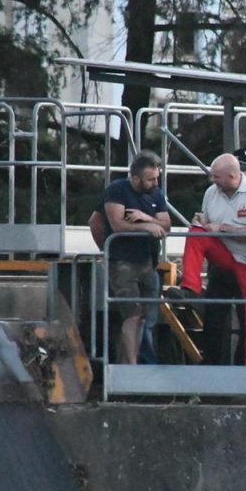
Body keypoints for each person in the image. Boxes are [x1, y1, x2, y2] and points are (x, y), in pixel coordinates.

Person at [174, 153, 246, 366]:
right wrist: (201, 223)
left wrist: (224, 228)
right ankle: (190, 287)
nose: (212, 181)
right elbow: (206, 224)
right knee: (196, 233)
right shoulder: (211, 193)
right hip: (225, 256)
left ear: (232, 175)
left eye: (217, 177)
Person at [87, 151, 169, 365]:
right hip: (123, 262)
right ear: (135, 178)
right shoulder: (117, 190)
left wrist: (147, 218)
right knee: (132, 315)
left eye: (157, 178)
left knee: (146, 317)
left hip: (148, 262)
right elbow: (116, 225)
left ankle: (130, 363)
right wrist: (147, 227)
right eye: (150, 179)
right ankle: (132, 368)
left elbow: (166, 225)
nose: (155, 182)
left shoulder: (156, 193)